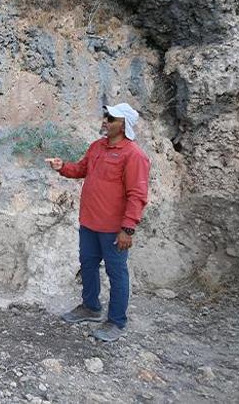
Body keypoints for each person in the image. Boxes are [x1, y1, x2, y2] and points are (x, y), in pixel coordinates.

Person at [45, 103, 150, 342]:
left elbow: (137, 195)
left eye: (111, 118)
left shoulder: (134, 155)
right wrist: (63, 168)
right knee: (88, 265)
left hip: (114, 229)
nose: (105, 121)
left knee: (117, 274)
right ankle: (91, 307)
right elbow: (82, 169)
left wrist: (127, 228)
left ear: (124, 125)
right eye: (105, 116)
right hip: (89, 222)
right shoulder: (97, 147)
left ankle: (116, 321)